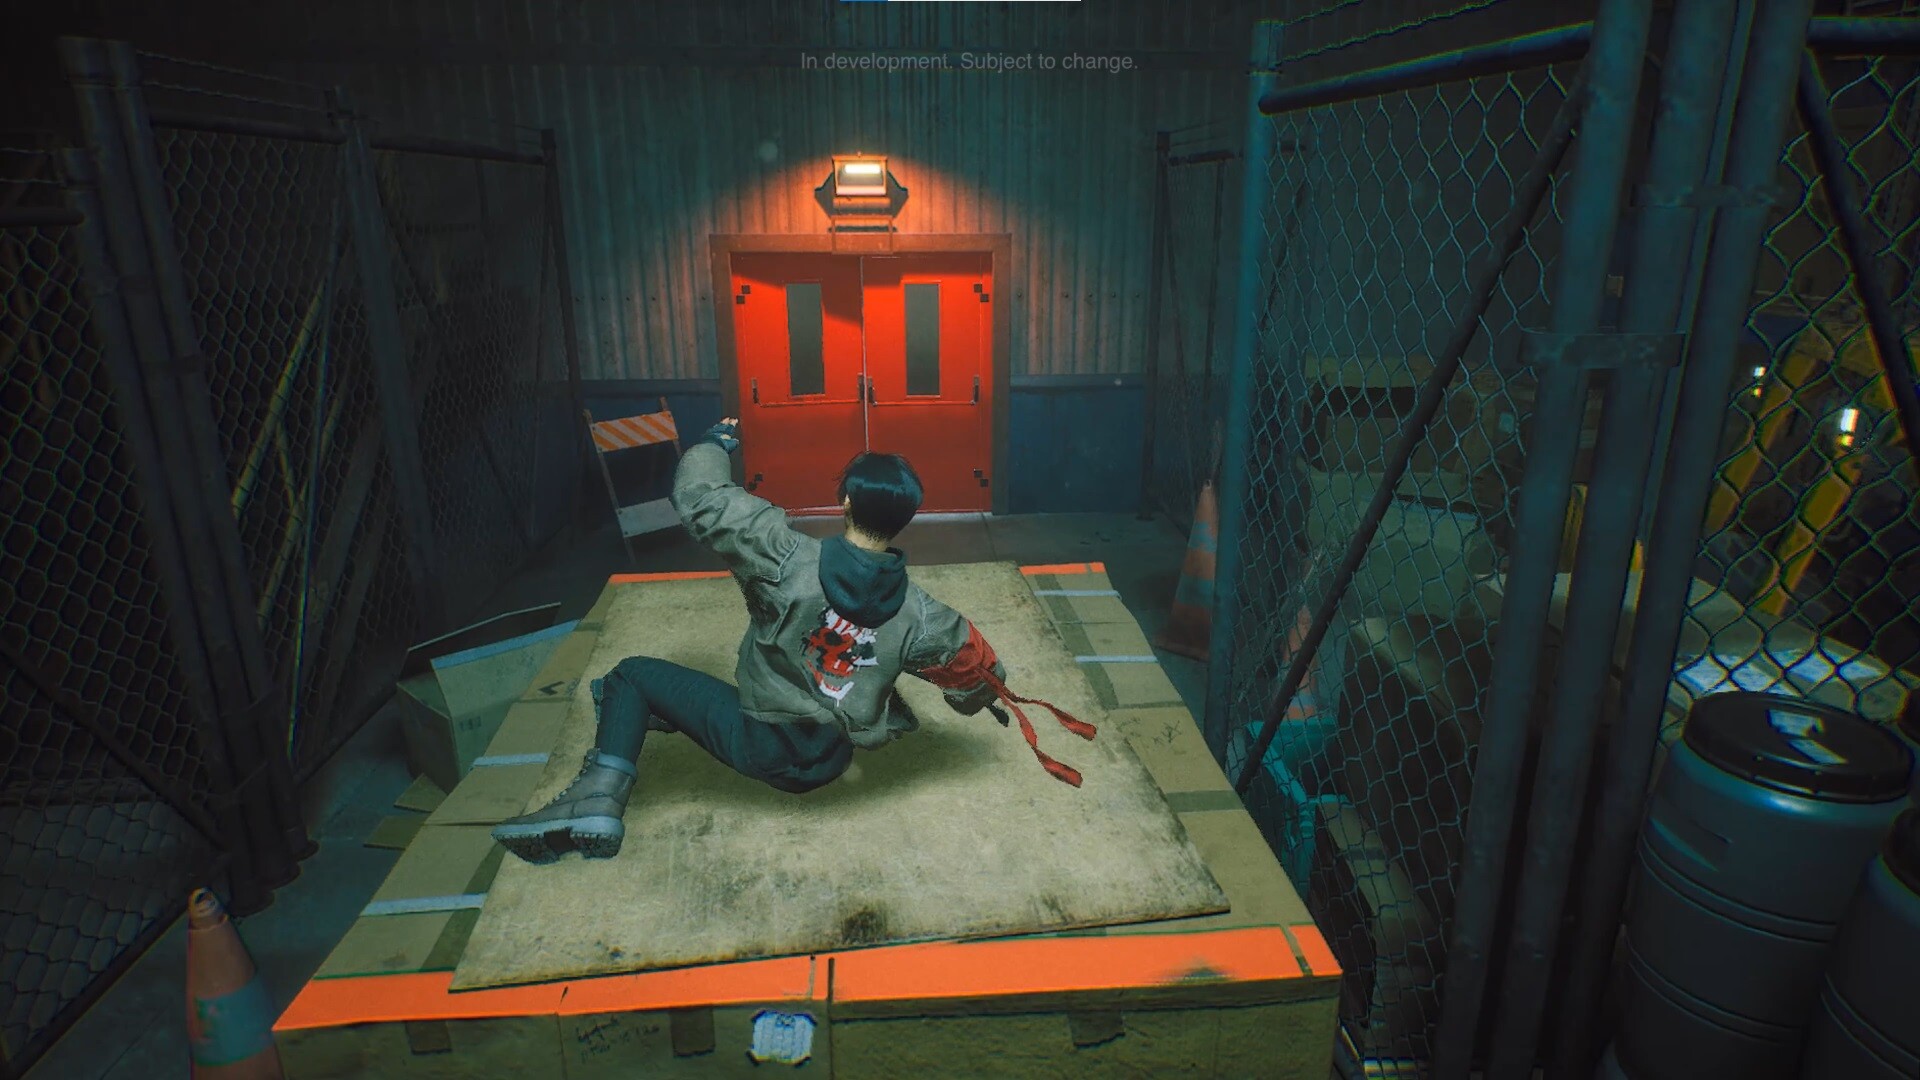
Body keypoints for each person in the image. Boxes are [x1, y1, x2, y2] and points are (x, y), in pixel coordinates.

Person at [493, 417, 1094, 865]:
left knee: (629, 675)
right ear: (904, 518)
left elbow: (701, 499)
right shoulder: (922, 614)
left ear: (846, 502)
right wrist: (978, 699)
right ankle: (655, 718)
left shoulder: (781, 554)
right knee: (673, 700)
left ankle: (599, 799)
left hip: (764, 749)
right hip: (830, 759)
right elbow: (975, 672)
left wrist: (714, 443)